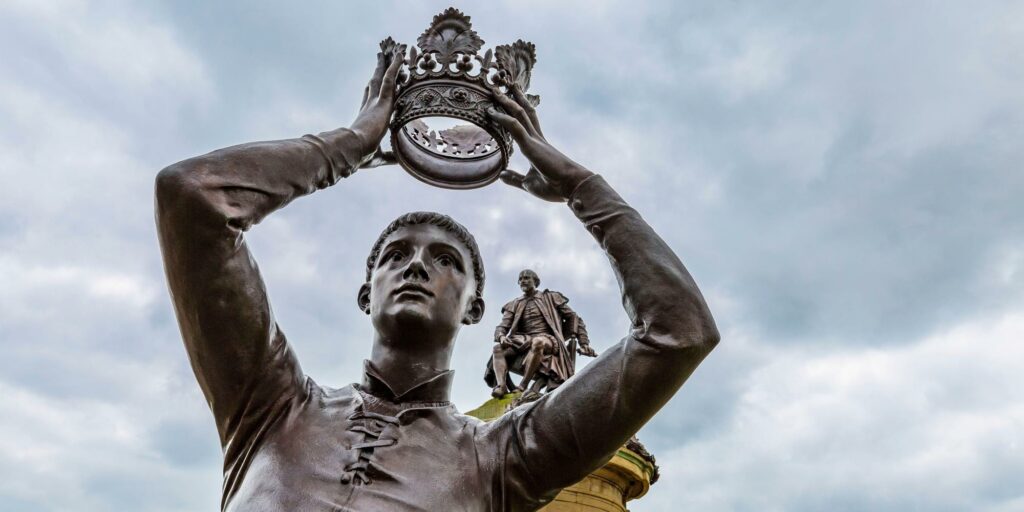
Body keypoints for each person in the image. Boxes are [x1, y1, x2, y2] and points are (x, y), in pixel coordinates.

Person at [155, 46, 719, 512]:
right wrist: (347, 146)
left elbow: (679, 332)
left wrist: (580, 186)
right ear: (364, 294)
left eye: (448, 260)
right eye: (396, 255)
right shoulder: (271, 406)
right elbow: (193, 197)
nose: (419, 265)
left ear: (475, 308)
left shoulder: (503, 456)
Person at [486, 269, 596, 399]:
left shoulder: (550, 297)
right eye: (520, 279)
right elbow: (502, 326)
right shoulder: (514, 304)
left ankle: (523, 385)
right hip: (523, 339)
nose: (523, 281)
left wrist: (584, 343)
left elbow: (575, 319)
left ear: (535, 281)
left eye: (526, 278)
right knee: (497, 348)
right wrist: (501, 336)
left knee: (538, 341)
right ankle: (501, 386)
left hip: (548, 339)